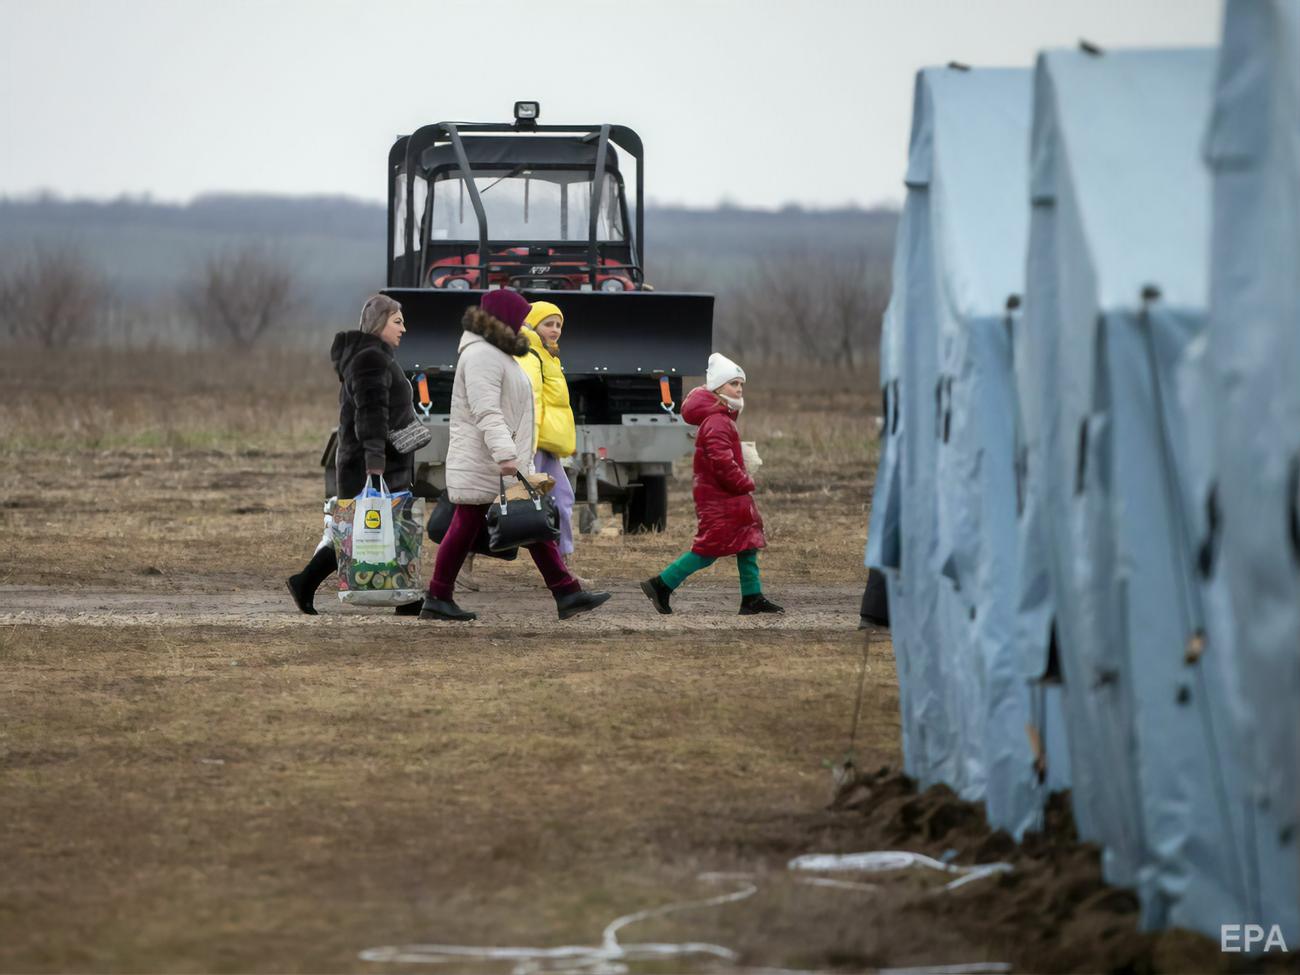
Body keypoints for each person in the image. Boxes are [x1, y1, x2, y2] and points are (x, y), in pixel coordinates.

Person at [420, 289, 611, 622]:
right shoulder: (482, 355)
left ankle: (566, 592)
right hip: (489, 459)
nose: (524, 326)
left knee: (528, 523)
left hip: (496, 458)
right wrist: (506, 454)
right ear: (504, 319)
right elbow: (487, 411)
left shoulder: (497, 353)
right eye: (520, 319)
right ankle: (438, 596)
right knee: (480, 524)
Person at [287, 294, 423, 615]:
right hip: (372, 463)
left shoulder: (375, 356)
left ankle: (406, 597)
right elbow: (370, 413)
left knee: (371, 529)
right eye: (397, 322)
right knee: (361, 531)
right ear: (379, 324)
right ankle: (305, 582)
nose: (404, 328)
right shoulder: (371, 359)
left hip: (379, 460)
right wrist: (374, 463)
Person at [640, 353, 783, 616]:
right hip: (720, 497)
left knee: (747, 542)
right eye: (733, 384)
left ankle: (752, 597)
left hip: (727, 496)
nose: (739, 389)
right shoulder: (717, 421)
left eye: (740, 384)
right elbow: (722, 462)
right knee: (708, 549)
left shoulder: (722, 418)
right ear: (718, 387)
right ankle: (661, 584)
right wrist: (745, 481)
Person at [517, 300, 587, 584]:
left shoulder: (550, 357)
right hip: (532, 445)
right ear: (533, 324)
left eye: (559, 324)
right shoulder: (529, 354)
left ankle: (564, 565)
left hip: (548, 444)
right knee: (504, 506)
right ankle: (465, 560)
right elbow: (530, 399)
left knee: (561, 501)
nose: (555, 330)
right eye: (549, 323)